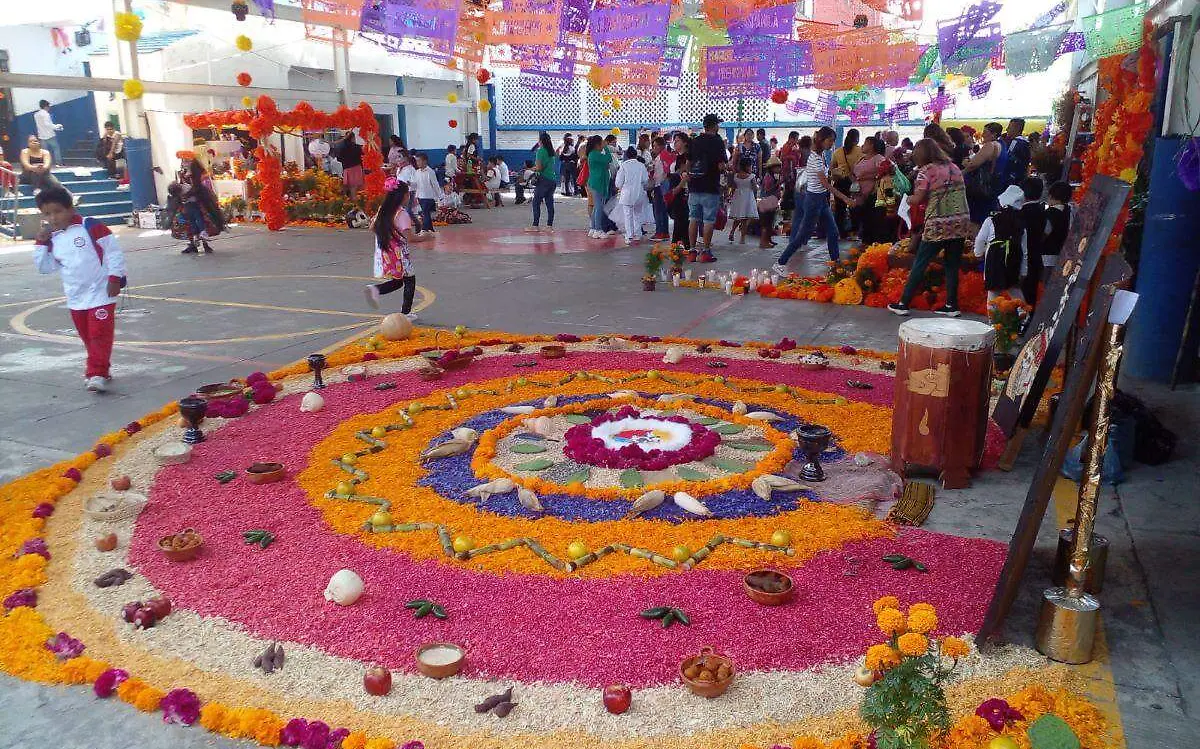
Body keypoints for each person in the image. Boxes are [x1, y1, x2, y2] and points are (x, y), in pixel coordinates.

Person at [32, 185, 127, 391]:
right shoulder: (53, 239)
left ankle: (96, 373)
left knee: (99, 334)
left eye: (58, 211)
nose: (53, 218)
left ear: (70, 208)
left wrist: (114, 278)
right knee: (87, 336)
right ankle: (102, 367)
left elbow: (113, 252)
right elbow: (45, 267)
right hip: (75, 296)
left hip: (101, 293)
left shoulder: (90, 226)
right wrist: (41, 243)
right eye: (47, 214)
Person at [888, 139, 973, 317]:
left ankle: (903, 303)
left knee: (921, 262)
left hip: (938, 223)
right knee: (952, 264)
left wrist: (906, 199)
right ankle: (952, 305)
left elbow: (918, 199)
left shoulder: (925, 171)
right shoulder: (954, 167)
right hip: (960, 222)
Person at [773, 126, 851, 274]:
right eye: (829, 141)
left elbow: (824, 180)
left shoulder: (820, 156)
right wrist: (845, 198)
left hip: (821, 200)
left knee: (833, 232)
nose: (831, 144)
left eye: (833, 141)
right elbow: (826, 184)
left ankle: (836, 264)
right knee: (802, 235)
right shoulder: (815, 157)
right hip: (813, 201)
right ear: (821, 140)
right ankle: (780, 262)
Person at [364, 178, 432, 319]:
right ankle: (406, 313)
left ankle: (375, 290)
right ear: (404, 196)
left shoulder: (383, 210)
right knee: (409, 280)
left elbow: (372, 227)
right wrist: (427, 237)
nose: (409, 197)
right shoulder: (402, 215)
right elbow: (411, 238)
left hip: (387, 251)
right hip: (400, 254)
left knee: (398, 281)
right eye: (408, 194)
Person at [974, 185, 1028, 302]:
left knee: (993, 292)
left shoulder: (991, 219)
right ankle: (1023, 316)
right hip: (1014, 258)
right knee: (1014, 289)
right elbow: (1024, 250)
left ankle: (993, 319)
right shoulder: (1021, 224)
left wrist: (978, 253)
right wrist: (1024, 271)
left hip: (995, 258)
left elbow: (980, 239)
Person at [688, 114, 729, 261]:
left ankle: (692, 251)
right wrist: (725, 169)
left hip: (694, 185)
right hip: (710, 186)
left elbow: (688, 162)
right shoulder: (717, 141)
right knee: (708, 220)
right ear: (714, 126)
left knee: (693, 218)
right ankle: (705, 252)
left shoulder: (695, 140)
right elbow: (721, 165)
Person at [178, 159, 224, 254]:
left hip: (198, 202)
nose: (183, 163)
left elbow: (197, 188)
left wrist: (187, 195)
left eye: (185, 162)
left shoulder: (195, 175)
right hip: (189, 202)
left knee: (201, 221)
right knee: (191, 223)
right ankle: (194, 244)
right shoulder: (184, 173)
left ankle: (203, 244)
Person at [850, 136, 889, 244]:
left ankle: (872, 245)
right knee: (862, 218)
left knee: (871, 220)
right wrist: (855, 180)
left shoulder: (878, 158)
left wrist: (867, 178)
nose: (863, 145)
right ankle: (865, 242)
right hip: (859, 195)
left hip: (873, 195)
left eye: (866, 143)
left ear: (872, 146)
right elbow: (854, 173)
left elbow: (885, 174)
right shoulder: (862, 158)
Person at [962, 122, 1003, 224]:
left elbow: (973, 165)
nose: (983, 134)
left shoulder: (989, 145)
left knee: (976, 220)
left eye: (985, 132)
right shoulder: (1002, 145)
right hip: (993, 185)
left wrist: (965, 164)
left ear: (993, 134)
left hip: (981, 187)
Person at [1019, 176, 1047, 306]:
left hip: (1021, 256)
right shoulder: (1043, 212)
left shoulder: (1020, 212)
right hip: (1036, 255)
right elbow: (1046, 232)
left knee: (1019, 291)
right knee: (1031, 292)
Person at [614, 146, 650, 246]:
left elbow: (618, 183)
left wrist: (620, 187)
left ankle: (629, 236)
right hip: (639, 193)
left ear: (627, 155)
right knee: (638, 214)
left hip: (627, 194)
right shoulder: (641, 165)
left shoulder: (624, 165)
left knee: (628, 215)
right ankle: (638, 234)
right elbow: (645, 180)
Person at [830, 128, 862, 234]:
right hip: (854, 182)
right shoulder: (860, 151)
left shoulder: (838, 152)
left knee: (840, 209)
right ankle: (855, 230)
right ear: (857, 139)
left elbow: (832, 168)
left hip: (840, 182)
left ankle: (840, 231)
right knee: (855, 206)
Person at [666, 131, 691, 251]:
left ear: (685, 142)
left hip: (683, 192)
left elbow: (686, 176)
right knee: (680, 219)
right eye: (674, 141)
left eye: (677, 141)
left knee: (682, 220)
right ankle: (681, 245)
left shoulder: (687, 158)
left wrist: (678, 187)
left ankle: (680, 245)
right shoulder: (678, 157)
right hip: (678, 191)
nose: (674, 143)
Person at [586, 135, 615, 239]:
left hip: (597, 182)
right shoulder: (595, 154)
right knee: (599, 207)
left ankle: (593, 228)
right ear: (597, 144)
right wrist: (606, 147)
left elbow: (605, 164)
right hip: (597, 183)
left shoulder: (594, 154)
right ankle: (598, 229)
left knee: (597, 207)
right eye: (602, 143)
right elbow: (609, 158)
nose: (603, 144)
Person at [529, 131, 558, 232]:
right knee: (549, 202)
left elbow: (539, 168)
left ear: (540, 141)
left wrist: (533, 169)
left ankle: (535, 225)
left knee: (536, 202)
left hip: (543, 180)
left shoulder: (540, 151)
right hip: (552, 180)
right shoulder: (551, 152)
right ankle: (549, 226)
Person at [1042, 181, 1073, 274]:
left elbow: (1044, 233)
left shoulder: (1049, 214)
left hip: (1045, 256)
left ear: (1051, 196)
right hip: (1062, 257)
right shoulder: (1070, 212)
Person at [410, 152, 442, 235]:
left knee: (425, 212)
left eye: (419, 161)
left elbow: (435, 184)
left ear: (425, 161)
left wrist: (440, 196)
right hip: (420, 196)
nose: (417, 163)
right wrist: (410, 184)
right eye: (416, 161)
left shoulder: (430, 172)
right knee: (425, 213)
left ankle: (424, 229)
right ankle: (431, 229)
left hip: (429, 196)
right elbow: (415, 184)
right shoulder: (417, 172)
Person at [726, 163, 757, 244]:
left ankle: (732, 231)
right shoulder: (751, 176)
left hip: (738, 196)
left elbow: (732, 186)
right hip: (748, 197)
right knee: (745, 218)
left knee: (738, 217)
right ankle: (742, 238)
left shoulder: (736, 176)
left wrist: (731, 195)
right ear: (747, 166)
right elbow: (754, 188)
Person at [757, 156, 783, 249]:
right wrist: (779, 183)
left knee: (770, 223)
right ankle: (763, 242)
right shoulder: (768, 177)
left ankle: (768, 240)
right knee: (766, 224)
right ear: (772, 168)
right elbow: (768, 189)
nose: (779, 169)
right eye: (777, 167)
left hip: (771, 202)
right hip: (767, 202)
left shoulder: (773, 176)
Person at [649, 136, 671, 240]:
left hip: (661, 185)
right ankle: (664, 232)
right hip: (660, 184)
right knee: (662, 210)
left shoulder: (664, 155)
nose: (653, 148)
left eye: (655, 146)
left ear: (661, 146)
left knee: (659, 210)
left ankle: (660, 232)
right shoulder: (660, 156)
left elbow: (666, 171)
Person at [1001, 118, 1032, 190]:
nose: (1007, 129)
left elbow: (1008, 159)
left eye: (1009, 127)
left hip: (1013, 181)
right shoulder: (1024, 143)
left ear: (1016, 129)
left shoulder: (1017, 142)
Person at [458, 133, 485, 208]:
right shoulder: (472, 145)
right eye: (477, 139)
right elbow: (469, 155)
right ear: (473, 139)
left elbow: (465, 155)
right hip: (471, 165)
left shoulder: (468, 145)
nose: (477, 141)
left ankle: (470, 198)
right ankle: (474, 198)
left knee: (470, 181)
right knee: (474, 181)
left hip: (469, 165)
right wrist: (477, 159)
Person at [34, 100, 64, 165]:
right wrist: (57, 126)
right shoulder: (46, 114)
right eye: (48, 106)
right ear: (46, 106)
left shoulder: (36, 115)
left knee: (44, 151)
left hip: (41, 135)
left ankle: (46, 164)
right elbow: (47, 124)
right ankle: (58, 163)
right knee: (56, 148)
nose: (49, 108)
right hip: (50, 135)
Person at [335, 130, 364, 197]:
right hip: (356, 168)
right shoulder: (357, 147)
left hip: (346, 168)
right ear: (353, 138)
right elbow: (362, 156)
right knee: (354, 189)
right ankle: (355, 204)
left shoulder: (342, 147)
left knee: (347, 187)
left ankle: (345, 202)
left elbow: (339, 158)